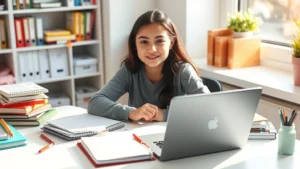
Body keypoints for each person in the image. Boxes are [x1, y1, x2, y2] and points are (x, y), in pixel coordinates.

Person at [88, 9, 210, 122]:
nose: (152, 49)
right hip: (138, 137)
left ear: (171, 43)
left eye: (159, 41)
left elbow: (209, 107)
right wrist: (131, 112)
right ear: (135, 44)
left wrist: (163, 114)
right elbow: (95, 103)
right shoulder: (129, 70)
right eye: (144, 42)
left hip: (176, 138)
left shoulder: (183, 71)